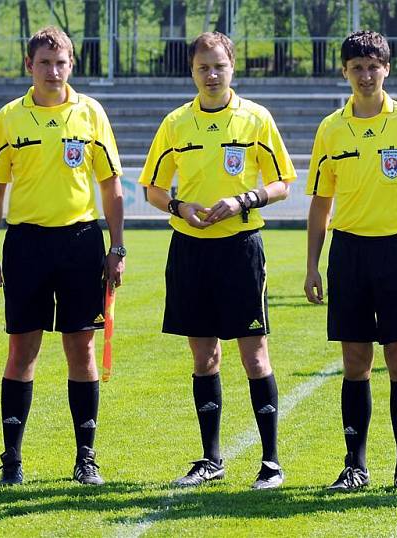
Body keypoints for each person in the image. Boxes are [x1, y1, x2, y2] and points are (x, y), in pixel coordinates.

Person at [139, 31, 296, 490]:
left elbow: (283, 181)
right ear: (192, 71)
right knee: (204, 356)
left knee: (254, 354)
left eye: (219, 66)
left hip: (240, 249)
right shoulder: (175, 123)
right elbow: (152, 186)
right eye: (203, 67)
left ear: (233, 68)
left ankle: (270, 462)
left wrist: (243, 199)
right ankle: (211, 459)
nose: (211, 74)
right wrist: (178, 207)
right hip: (190, 249)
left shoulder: (255, 119)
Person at [0, 26, 124, 486]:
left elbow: (110, 186)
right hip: (25, 244)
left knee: (80, 348)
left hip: (81, 243)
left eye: (61, 62)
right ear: (29, 66)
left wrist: (116, 247)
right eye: (44, 63)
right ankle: (12, 460)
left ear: (71, 65)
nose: (53, 71)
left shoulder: (91, 113)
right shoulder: (9, 117)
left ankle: (86, 457)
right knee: (22, 349)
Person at [304, 31, 397, 494]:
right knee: (355, 359)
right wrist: (312, 265)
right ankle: (355, 464)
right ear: (344, 72)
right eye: (357, 67)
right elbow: (321, 203)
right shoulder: (331, 128)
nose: (366, 75)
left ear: (387, 69)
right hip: (349, 252)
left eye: (373, 66)